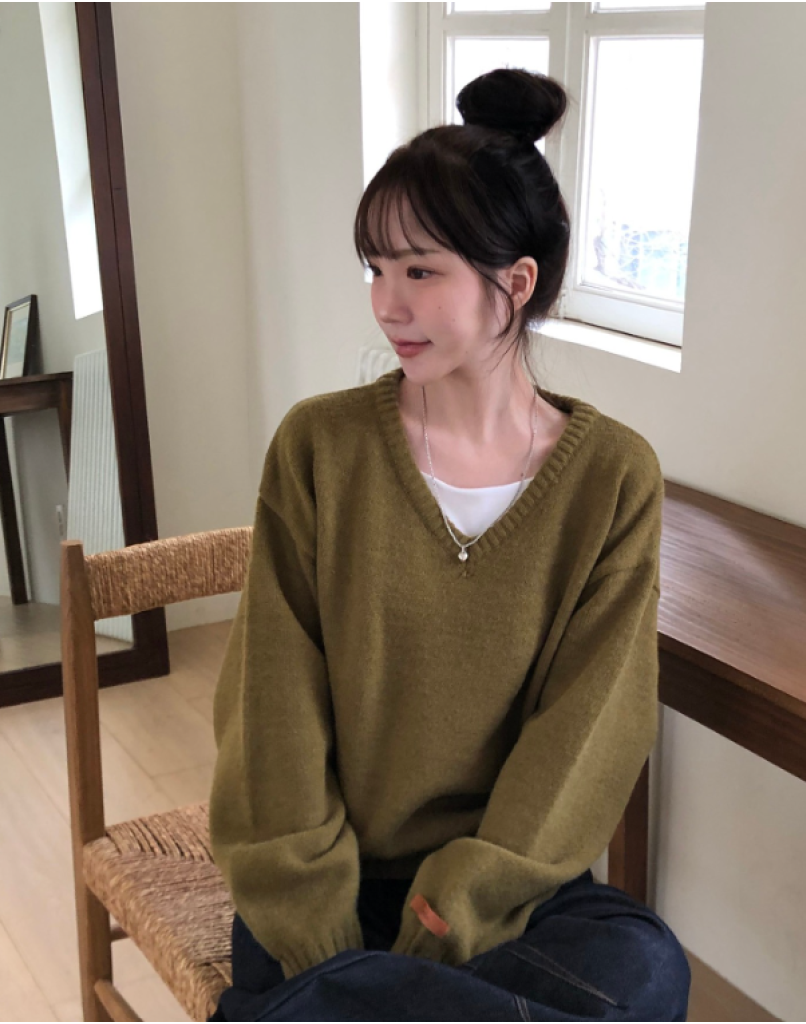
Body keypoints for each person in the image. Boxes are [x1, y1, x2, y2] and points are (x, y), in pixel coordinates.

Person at [208, 68, 690, 1022]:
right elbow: (272, 701)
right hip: (331, 878)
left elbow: (588, 732)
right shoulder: (320, 447)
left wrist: (450, 913)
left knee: (646, 966)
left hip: (507, 892)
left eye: (419, 272)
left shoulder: (612, 478)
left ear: (516, 284)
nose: (387, 305)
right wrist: (324, 933)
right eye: (376, 270)